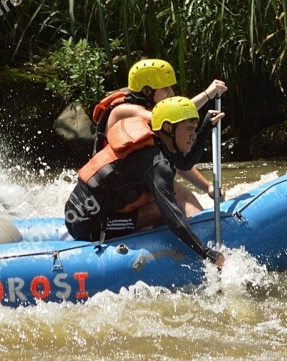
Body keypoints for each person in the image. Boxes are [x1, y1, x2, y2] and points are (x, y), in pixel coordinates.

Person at [65, 96, 226, 268]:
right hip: (87, 224)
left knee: (163, 202)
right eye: (189, 129)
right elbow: (172, 215)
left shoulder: (159, 141)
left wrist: (206, 127)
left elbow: (183, 163)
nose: (193, 135)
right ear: (167, 127)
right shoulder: (155, 163)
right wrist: (206, 253)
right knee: (166, 208)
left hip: (82, 209)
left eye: (194, 129)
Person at [91, 59, 228, 207]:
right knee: (181, 198)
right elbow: (176, 115)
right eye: (165, 88)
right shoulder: (123, 111)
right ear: (147, 91)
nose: (171, 93)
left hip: (139, 183)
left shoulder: (153, 120)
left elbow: (175, 160)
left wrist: (207, 186)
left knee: (185, 195)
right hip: (117, 192)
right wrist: (207, 95)